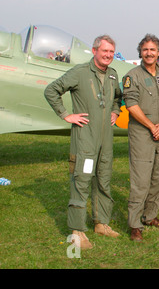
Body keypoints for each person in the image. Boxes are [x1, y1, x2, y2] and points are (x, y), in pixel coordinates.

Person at [44, 35, 122, 249]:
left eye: (111, 52)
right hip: (85, 139)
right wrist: (65, 115)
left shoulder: (113, 75)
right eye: (104, 51)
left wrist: (115, 111)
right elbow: (51, 90)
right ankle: (77, 231)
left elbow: (117, 98)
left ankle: (101, 223)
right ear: (95, 50)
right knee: (82, 181)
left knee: (104, 180)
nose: (108, 55)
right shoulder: (80, 72)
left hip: (105, 140)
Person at [122, 34, 159, 242]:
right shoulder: (132, 76)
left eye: (153, 50)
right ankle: (134, 224)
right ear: (140, 52)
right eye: (145, 50)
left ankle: (150, 216)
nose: (149, 53)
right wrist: (152, 126)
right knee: (141, 181)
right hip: (142, 135)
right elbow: (131, 105)